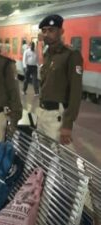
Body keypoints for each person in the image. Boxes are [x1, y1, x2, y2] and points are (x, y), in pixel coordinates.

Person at [37, 14, 83, 145]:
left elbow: (76, 91)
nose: (46, 34)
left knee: (62, 159)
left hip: (58, 116)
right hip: (42, 113)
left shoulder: (71, 55)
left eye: (51, 30)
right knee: (43, 157)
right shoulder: (47, 55)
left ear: (61, 31)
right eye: (44, 31)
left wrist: (67, 125)